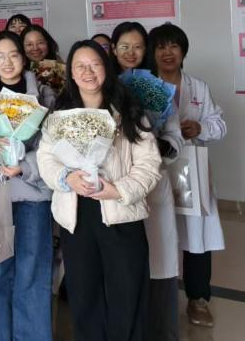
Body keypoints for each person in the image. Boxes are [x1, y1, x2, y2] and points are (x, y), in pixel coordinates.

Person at [38, 40, 161, 341]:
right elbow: (45, 158)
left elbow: (149, 165)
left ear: (106, 67)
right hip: (76, 218)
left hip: (121, 214)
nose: (88, 71)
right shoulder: (59, 114)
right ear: (71, 72)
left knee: (127, 294)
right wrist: (67, 178)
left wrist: (118, 190)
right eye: (80, 66)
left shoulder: (129, 111)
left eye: (95, 64)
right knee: (85, 296)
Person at [0, 32, 55, 341]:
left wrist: (25, 165)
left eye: (14, 55)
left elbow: (53, 146)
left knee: (33, 268)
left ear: (24, 57)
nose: (7, 62)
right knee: (0, 268)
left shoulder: (45, 96)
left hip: (32, 193)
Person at [149, 23, 227, 328]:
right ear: (152, 53)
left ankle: (198, 299)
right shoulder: (146, 86)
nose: (167, 53)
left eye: (174, 46)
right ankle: (158, 298)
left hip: (192, 168)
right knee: (159, 232)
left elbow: (219, 125)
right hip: (156, 168)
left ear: (183, 51)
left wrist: (200, 127)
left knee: (197, 235)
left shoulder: (199, 87)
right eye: (160, 47)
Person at [111, 21, 181, 341]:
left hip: (152, 186)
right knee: (123, 268)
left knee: (159, 263)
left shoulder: (159, 89)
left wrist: (161, 145)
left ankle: (162, 331)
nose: (131, 52)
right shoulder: (104, 85)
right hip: (117, 188)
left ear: (146, 50)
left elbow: (174, 135)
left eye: (137, 46)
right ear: (113, 49)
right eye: (124, 46)